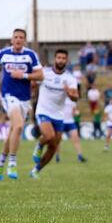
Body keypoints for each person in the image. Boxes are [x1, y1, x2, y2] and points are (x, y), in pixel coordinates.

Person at [0, 29, 44, 181]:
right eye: (15, 37)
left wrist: (24, 75)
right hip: (8, 96)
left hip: (24, 98)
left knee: (13, 131)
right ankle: (12, 162)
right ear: (12, 40)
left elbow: (41, 75)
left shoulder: (30, 55)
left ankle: (1, 161)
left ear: (25, 40)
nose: (18, 40)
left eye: (21, 37)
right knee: (18, 127)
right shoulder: (4, 54)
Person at [29, 49, 78, 179]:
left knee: (53, 145)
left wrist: (69, 93)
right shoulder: (44, 73)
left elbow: (75, 97)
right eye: (59, 58)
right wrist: (32, 86)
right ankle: (39, 145)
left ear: (66, 61)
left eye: (63, 58)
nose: (61, 60)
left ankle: (36, 169)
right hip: (43, 110)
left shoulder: (70, 78)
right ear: (55, 59)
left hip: (59, 115)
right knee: (49, 136)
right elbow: (33, 82)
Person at [57, 97, 87, 163]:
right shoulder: (59, 98)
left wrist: (76, 113)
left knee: (76, 139)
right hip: (61, 122)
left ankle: (80, 156)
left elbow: (74, 111)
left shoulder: (72, 101)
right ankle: (57, 156)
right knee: (58, 141)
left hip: (70, 122)